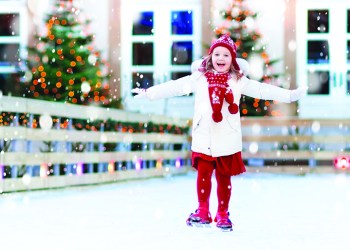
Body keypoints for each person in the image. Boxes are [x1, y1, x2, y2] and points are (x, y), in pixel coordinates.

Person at [131, 34, 307, 231]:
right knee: (203, 176)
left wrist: (290, 96)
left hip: (227, 137)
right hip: (203, 136)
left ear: (232, 59)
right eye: (217, 54)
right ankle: (203, 210)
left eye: (225, 54)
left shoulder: (238, 81)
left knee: (224, 178)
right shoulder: (199, 79)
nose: (220, 58)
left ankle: (223, 213)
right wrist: (149, 93)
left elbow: (262, 90)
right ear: (210, 56)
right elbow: (176, 87)